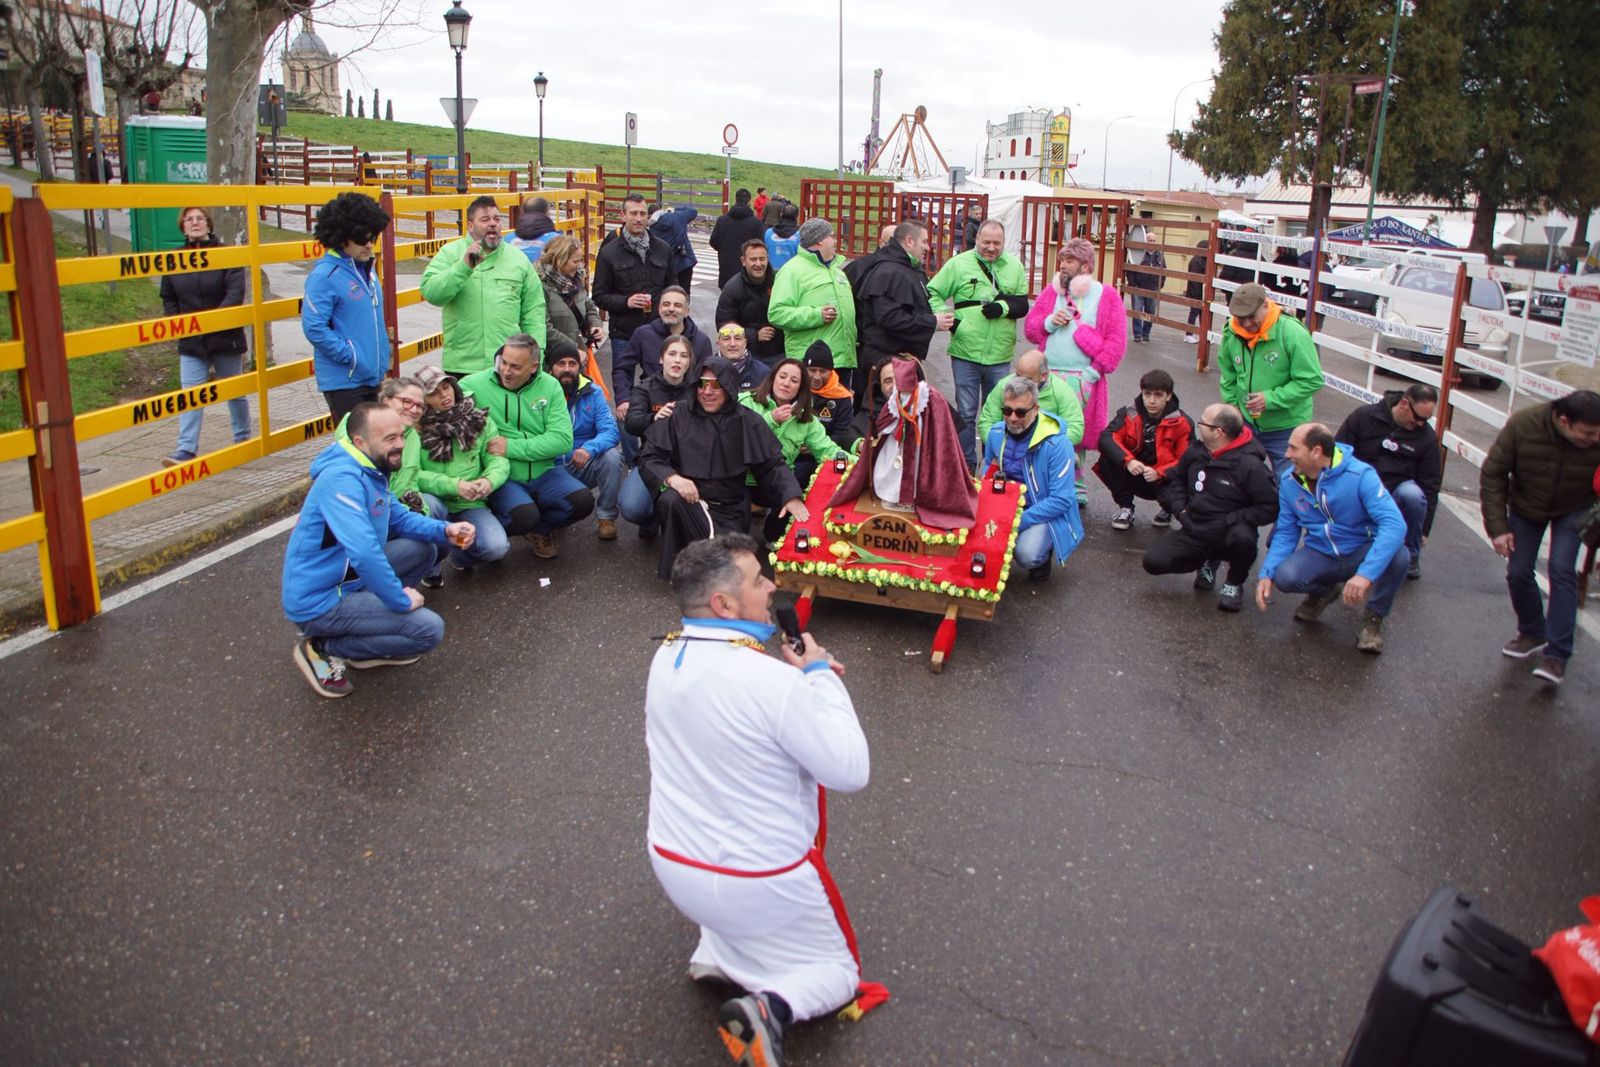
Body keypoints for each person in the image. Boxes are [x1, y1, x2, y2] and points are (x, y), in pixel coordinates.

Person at [646, 534, 880, 1067]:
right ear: (724, 604)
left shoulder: (665, 656)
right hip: (758, 880)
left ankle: (721, 954)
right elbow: (850, 770)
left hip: (674, 865)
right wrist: (820, 677)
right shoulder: (774, 683)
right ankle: (770, 1009)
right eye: (759, 581)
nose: (773, 586)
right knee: (839, 975)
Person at [281, 403, 473, 698]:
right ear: (361, 442)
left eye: (401, 436)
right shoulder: (342, 480)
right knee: (428, 630)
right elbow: (365, 551)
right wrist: (397, 599)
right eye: (389, 439)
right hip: (321, 598)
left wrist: (445, 530)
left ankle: (365, 635)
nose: (399, 445)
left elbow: (398, 516)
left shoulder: (370, 468)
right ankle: (321, 646)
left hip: (350, 580)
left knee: (425, 549)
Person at [636, 356, 807, 580]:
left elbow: (771, 464)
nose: (707, 391)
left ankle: (703, 556)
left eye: (716, 384)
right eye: (702, 383)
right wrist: (673, 478)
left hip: (730, 507)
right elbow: (650, 457)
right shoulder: (679, 415)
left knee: (730, 571)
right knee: (671, 500)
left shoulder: (747, 420)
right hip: (691, 500)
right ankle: (684, 564)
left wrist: (791, 496)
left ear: (728, 387)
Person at [1480, 390, 1600, 687]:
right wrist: (1498, 527)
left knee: (1561, 570)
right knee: (1518, 571)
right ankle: (1532, 631)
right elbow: (1494, 473)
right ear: (1564, 421)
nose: (1594, 439)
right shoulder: (1524, 425)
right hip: (1527, 505)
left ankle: (1557, 656)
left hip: (1577, 506)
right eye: (1588, 433)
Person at [1255, 423, 1408, 654]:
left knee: (1399, 556)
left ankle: (1374, 618)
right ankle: (1324, 591)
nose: (1287, 455)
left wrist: (1365, 574)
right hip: (1322, 551)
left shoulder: (1361, 475)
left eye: (1294, 448)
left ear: (1316, 451)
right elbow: (1286, 531)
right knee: (1285, 578)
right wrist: (1267, 573)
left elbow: (1395, 524)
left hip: (1360, 549)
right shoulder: (1289, 481)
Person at [459, 334, 594, 560]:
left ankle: (539, 530)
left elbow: (562, 441)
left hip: (545, 472)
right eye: (504, 362)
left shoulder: (550, 385)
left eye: (515, 367)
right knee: (524, 516)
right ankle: (469, 551)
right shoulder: (472, 385)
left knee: (583, 502)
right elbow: (442, 407)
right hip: (506, 476)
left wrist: (510, 447)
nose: (506, 371)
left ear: (533, 367)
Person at [1142, 403, 1278, 611]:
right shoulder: (1195, 451)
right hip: (1195, 526)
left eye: (1203, 422)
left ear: (1219, 432)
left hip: (1228, 530)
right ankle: (1205, 561)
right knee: (1153, 561)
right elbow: (1177, 480)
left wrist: (1230, 520)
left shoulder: (1250, 466)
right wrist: (1181, 511)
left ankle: (1233, 584)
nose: (1198, 425)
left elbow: (1269, 507)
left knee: (1243, 539)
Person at [1025, 237, 1128, 506]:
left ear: (1085, 265)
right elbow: (1031, 329)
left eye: (1069, 260)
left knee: (1075, 433)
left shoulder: (1106, 296)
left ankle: (1075, 484)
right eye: (1062, 260)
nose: (1063, 265)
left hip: (1083, 376)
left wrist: (1093, 373)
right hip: (1047, 374)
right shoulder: (1052, 293)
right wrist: (1049, 321)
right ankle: (1044, 482)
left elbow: (1116, 342)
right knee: (1043, 427)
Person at [927, 219, 1030, 465]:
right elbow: (933, 292)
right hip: (966, 351)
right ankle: (966, 463)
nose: (991, 248)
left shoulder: (1014, 266)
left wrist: (1003, 307)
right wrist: (952, 321)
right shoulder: (958, 264)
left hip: (1000, 354)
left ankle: (993, 463)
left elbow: (1022, 305)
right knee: (967, 412)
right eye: (986, 242)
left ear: (1004, 243)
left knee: (999, 412)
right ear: (977, 240)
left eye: (997, 243)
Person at [829, 358, 977, 530]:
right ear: (880, 386)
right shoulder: (878, 407)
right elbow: (847, 434)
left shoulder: (930, 402)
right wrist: (863, 445)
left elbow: (951, 437)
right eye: (887, 381)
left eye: (896, 378)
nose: (894, 385)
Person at [160, 206, 251, 467]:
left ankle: (243, 439)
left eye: (200, 218)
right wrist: (178, 323)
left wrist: (213, 323)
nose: (195, 223)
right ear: (183, 227)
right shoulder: (174, 259)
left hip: (225, 337)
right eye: (190, 219)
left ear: (209, 224)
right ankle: (186, 449)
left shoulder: (226, 255)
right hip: (191, 341)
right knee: (190, 394)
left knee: (234, 391)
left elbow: (235, 294)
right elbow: (168, 297)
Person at [420, 195, 548, 377]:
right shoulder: (450, 254)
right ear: (470, 226)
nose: (493, 224)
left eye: (497, 219)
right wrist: (463, 267)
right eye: (485, 219)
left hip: (508, 366)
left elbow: (534, 311)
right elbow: (432, 293)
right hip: (462, 366)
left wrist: (536, 356)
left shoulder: (518, 259)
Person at [980, 376, 1084, 580]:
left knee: (1026, 554)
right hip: (1006, 503)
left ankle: (1044, 554)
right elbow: (987, 476)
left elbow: (1061, 500)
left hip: (1043, 508)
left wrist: (1016, 522)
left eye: (1020, 412)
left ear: (1036, 409)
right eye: (1007, 410)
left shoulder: (1058, 444)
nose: (1012, 418)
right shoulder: (995, 433)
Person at [1334, 384, 1442, 580]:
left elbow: (1430, 484)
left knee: (1414, 495)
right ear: (1403, 404)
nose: (1420, 424)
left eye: (1426, 420)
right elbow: (1338, 453)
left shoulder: (1426, 438)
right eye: (1418, 418)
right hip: (1359, 486)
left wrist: (1424, 529)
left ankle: (1410, 554)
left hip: (1395, 492)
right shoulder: (1364, 416)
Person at [1217, 282, 1323, 478]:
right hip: (1245, 422)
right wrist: (1234, 408)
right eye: (1241, 318)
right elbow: (1228, 374)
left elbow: (1312, 380)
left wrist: (1270, 399)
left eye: (1251, 317)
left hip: (1285, 426)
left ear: (1265, 306)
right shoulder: (1231, 332)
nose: (1247, 324)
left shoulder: (1292, 333)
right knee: (1238, 478)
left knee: (1287, 484)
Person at [414, 365, 512, 573]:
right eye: (434, 393)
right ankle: (430, 566)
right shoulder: (414, 429)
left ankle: (459, 555)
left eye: (446, 388)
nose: (444, 395)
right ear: (423, 400)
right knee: (429, 506)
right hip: (435, 502)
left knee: (497, 548)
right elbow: (413, 474)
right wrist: (454, 486)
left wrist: (488, 481)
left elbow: (497, 459)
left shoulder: (477, 418)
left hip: (469, 503)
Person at [302, 192, 390, 420]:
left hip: (372, 376)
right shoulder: (325, 275)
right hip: (345, 381)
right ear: (342, 238)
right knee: (356, 448)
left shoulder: (366, 270)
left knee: (377, 446)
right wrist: (352, 356)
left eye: (374, 238)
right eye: (363, 239)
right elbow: (314, 328)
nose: (370, 245)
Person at [615, 286, 716, 455]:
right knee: (625, 414)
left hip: (686, 402)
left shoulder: (701, 341)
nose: (671, 309)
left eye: (677, 305)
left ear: (686, 311)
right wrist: (623, 399)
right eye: (666, 304)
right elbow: (622, 368)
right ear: (659, 308)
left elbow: (707, 377)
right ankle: (634, 461)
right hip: (650, 398)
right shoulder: (643, 334)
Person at [1093, 369, 1195, 531]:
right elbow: (1107, 438)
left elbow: (1187, 461)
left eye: (1158, 395)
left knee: (1178, 491)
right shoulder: (1129, 413)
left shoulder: (1183, 423)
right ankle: (1126, 508)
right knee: (1108, 460)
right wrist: (1128, 461)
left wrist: (1161, 473)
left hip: (1164, 478)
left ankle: (1169, 509)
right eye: (1147, 394)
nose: (1151, 401)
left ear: (1168, 396)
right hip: (1136, 472)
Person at [546, 338, 624, 541]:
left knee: (611, 457)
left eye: (572, 364)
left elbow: (610, 431)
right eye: (560, 364)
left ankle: (606, 517)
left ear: (579, 367)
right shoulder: (540, 394)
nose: (567, 369)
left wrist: (589, 448)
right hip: (548, 467)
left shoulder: (593, 392)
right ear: (550, 368)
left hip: (580, 463)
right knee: (548, 518)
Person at [621, 335, 697, 539]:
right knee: (632, 508)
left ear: (689, 361)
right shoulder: (644, 388)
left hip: (689, 461)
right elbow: (631, 424)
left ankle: (676, 520)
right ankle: (650, 517)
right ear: (661, 358)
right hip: (651, 459)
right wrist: (654, 417)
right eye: (672, 354)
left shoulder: (697, 389)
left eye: (683, 356)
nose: (677, 360)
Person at [743, 356, 847, 499]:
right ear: (773, 378)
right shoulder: (747, 402)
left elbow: (827, 450)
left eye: (794, 381)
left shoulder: (806, 418)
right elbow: (735, 436)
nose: (786, 383)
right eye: (782, 377)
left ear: (801, 388)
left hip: (780, 482)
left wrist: (860, 467)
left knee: (797, 509)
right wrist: (771, 420)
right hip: (743, 479)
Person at [855, 219, 952, 372]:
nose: (928, 247)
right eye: (924, 241)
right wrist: (932, 322)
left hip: (899, 360)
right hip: (886, 363)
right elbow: (889, 318)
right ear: (909, 241)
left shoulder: (908, 268)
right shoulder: (889, 271)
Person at [768, 218, 858, 382]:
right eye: (832, 236)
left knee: (839, 408)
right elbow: (776, 313)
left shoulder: (838, 272)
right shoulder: (791, 271)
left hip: (842, 362)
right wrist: (816, 315)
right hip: (812, 366)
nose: (836, 240)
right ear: (819, 241)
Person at [592, 192, 676, 360]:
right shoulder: (609, 253)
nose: (639, 219)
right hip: (624, 334)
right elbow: (599, 296)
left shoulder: (663, 249)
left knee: (657, 383)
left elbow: (673, 287)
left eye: (643, 214)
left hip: (657, 330)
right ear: (623, 215)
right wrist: (626, 302)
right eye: (633, 213)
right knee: (623, 383)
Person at [976, 348, 1083, 449]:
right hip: (1007, 451)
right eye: (1018, 375)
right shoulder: (1004, 386)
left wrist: (1043, 449)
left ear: (1043, 376)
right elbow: (987, 422)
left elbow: (1075, 429)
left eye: (1027, 379)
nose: (1020, 382)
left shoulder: (1061, 391)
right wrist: (1001, 449)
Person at [715, 240, 785, 361]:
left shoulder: (781, 281)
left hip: (780, 352)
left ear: (767, 259)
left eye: (762, 259)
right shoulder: (733, 288)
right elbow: (724, 326)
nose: (758, 264)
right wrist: (754, 335)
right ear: (743, 261)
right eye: (753, 259)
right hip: (746, 354)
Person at [536, 234, 606, 354]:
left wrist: (595, 324)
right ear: (559, 261)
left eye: (580, 260)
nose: (580, 265)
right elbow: (542, 327)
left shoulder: (576, 280)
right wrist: (571, 348)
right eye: (575, 261)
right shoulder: (540, 286)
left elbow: (588, 305)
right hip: (554, 359)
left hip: (578, 356)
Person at [801, 341, 857, 448]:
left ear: (831, 371)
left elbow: (843, 436)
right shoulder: (795, 389)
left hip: (826, 453)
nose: (817, 377)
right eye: (812, 370)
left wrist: (815, 444)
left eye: (823, 371)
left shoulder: (842, 397)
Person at [709, 189, 766, 288]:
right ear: (749, 202)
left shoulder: (722, 220)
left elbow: (713, 241)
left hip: (726, 269)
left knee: (727, 300)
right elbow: (761, 246)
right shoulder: (756, 223)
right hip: (748, 271)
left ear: (735, 201)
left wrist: (724, 249)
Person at [1125, 225, 1166, 344]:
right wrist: (1133, 284)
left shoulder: (1160, 256)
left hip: (1153, 289)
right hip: (1139, 287)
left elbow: (1164, 271)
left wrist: (1160, 285)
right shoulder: (1138, 253)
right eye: (1150, 240)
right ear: (1145, 241)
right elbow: (1130, 268)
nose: (1152, 242)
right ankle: (1137, 334)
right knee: (1137, 312)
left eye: (1154, 240)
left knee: (1150, 312)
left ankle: (1146, 333)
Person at [651, 204, 700, 293]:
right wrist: (675, 209)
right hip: (684, 263)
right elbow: (693, 211)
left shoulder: (652, 228)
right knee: (684, 294)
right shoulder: (678, 216)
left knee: (668, 294)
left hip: (666, 266)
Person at [715, 323, 772, 395]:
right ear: (718, 344)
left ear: (745, 343)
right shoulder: (707, 371)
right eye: (726, 339)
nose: (732, 344)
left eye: (737, 338)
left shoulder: (763, 373)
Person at [764, 202, 802, 272]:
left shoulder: (768, 233)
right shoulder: (800, 235)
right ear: (797, 217)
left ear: (781, 215)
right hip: (791, 273)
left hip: (770, 273)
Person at [1183, 241, 1208, 346]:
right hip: (1197, 292)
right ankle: (1189, 334)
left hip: (1199, 292)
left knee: (1202, 314)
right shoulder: (1198, 261)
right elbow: (1194, 279)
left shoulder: (1200, 260)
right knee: (1194, 312)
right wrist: (1198, 294)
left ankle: (1202, 335)